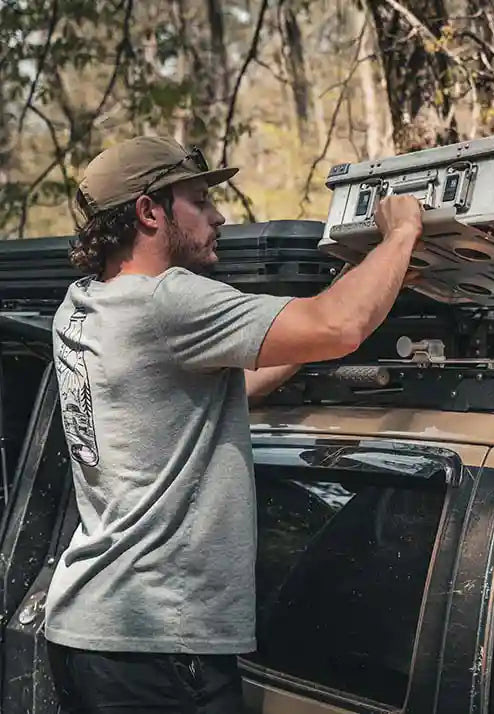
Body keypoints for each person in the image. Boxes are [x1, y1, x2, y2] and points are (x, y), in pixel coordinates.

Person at [44, 136, 424, 712]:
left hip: (93, 629)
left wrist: (324, 314)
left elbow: (221, 388)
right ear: (149, 211)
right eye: (198, 200)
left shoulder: (81, 305)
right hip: (163, 647)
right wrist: (401, 235)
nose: (219, 215)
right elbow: (339, 327)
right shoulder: (168, 301)